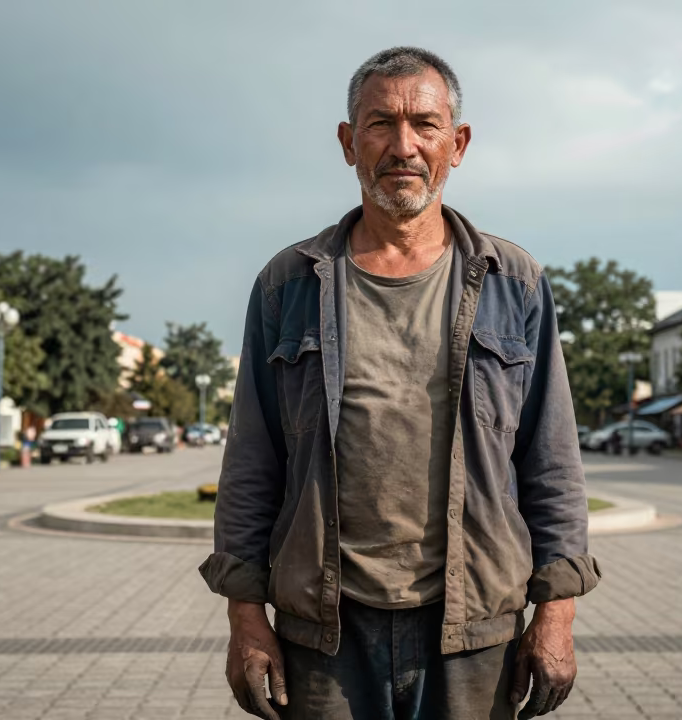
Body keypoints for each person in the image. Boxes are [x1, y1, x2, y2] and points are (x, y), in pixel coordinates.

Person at [198, 47, 600, 719]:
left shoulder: (513, 282)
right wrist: (246, 616)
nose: (403, 145)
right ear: (348, 142)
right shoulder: (288, 284)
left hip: (473, 628)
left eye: (425, 124)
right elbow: (252, 460)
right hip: (324, 630)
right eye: (381, 123)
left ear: (457, 144)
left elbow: (551, 457)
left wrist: (556, 615)